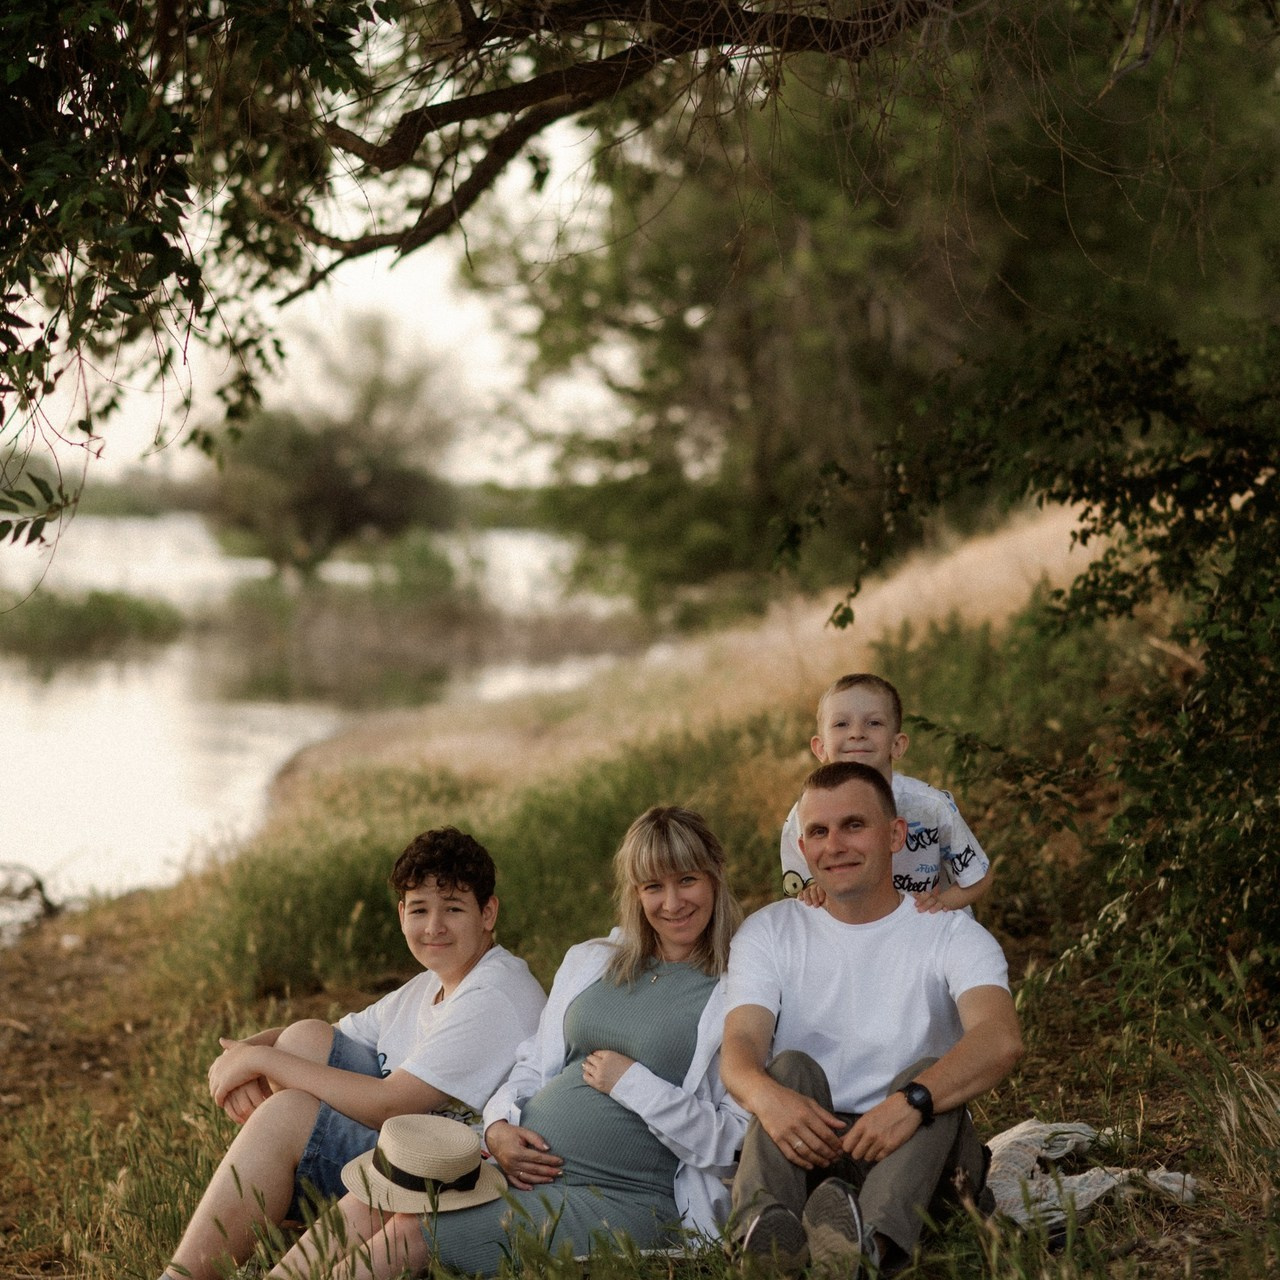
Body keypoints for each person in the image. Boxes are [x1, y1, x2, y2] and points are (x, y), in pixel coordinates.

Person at [266, 805, 749, 1280]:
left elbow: (734, 1143)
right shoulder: (594, 961)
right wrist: (498, 1125)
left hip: (622, 1195)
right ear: (635, 892)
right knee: (380, 1189)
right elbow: (532, 1064)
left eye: (687, 880)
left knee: (412, 1228)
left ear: (715, 877)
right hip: (511, 1166)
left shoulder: (741, 988)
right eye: (653, 886)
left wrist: (631, 1084)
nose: (672, 902)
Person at [160, 827, 546, 1280]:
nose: (433, 927)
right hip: (406, 1146)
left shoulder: (494, 993)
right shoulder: (428, 985)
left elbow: (392, 1104)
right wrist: (241, 1053)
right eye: (419, 909)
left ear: (488, 913)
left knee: (287, 1112)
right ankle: (282, 1199)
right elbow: (320, 1039)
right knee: (303, 1039)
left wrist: (261, 1063)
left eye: (453, 909)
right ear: (401, 914)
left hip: (445, 1179)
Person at [723, 761, 1022, 1277]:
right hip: (816, 1148)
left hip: (924, 1156)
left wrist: (913, 1101)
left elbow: (1000, 1039)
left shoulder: (951, 934)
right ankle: (764, 1242)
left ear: (895, 835)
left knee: (931, 1076)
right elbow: (741, 1045)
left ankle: (867, 1251)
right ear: (803, 847)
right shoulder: (768, 931)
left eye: (854, 825)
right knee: (788, 1069)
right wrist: (767, 1097)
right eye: (819, 832)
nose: (835, 845)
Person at [779, 673, 992, 913]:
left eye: (874, 723)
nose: (857, 733)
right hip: (863, 930)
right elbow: (800, 889)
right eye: (841, 724)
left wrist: (937, 908)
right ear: (820, 748)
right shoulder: (806, 815)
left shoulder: (931, 806)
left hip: (930, 929)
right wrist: (812, 890)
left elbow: (979, 877)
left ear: (897, 745)